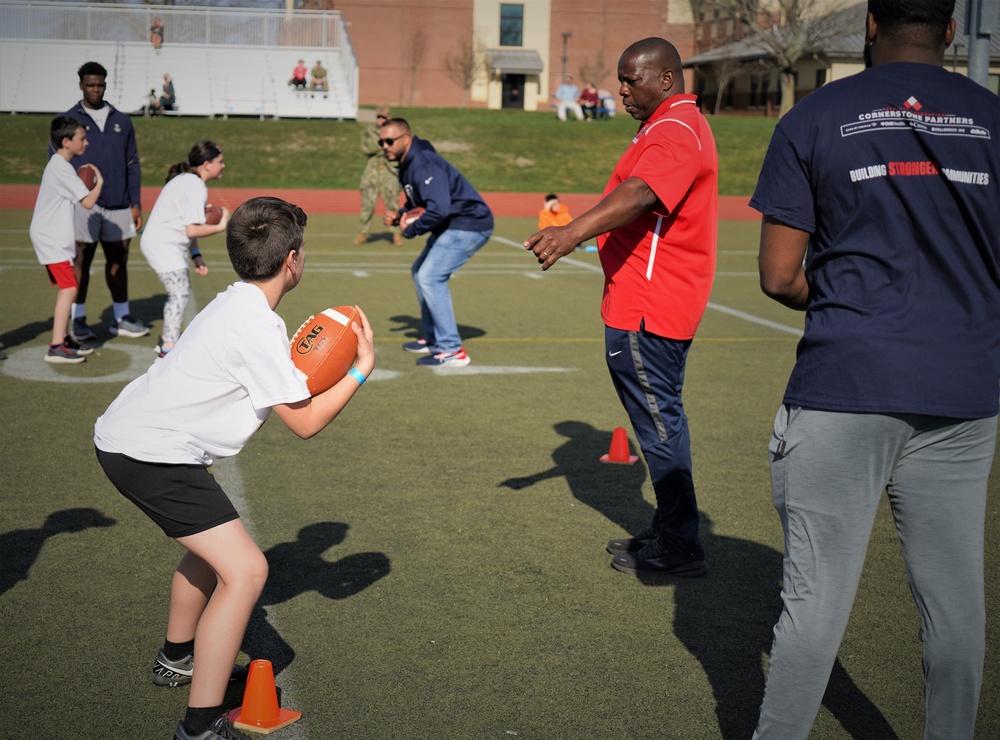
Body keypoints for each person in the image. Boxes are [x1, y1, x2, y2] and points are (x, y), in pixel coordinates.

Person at [749, 1, 1000, 737]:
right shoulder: (992, 117)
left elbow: (778, 275)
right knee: (955, 605)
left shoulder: (814, 116)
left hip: (845, 384)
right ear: (951, 30)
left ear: (868, 24)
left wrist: (850, 309)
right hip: (963, 392)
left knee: (814, 606)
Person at [95, 196, 375, 740]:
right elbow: (306, 422)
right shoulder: (258, 327)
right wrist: (360, 369)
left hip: (132, 440)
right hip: (150, 454)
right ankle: (199, 728)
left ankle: (178, 658)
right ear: (292, 260)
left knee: (209, 551)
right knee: (247, 571)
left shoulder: (234, 303)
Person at [524, 37, 717, 577]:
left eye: (633, 79)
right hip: (642, 303)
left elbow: (639, 193)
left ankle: (681, 544)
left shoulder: (676, 127)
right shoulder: (667, 124)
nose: (622, 89)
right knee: (657, 424)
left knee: (660, 426)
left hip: (650, 307)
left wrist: (570, 234)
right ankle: (669, 528)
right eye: (621, 78)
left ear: (667, 80)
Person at [379, 117, 494, 367]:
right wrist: (401, 214)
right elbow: (422, 202)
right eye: (381, 141)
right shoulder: (408, 164)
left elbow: (439, 209)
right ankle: (432, 338)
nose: (384, 145)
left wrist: (410, 230)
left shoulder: (423, 162)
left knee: (430, 277)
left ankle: (452, 349)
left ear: (406, 139)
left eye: (389, 140)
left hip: (469, 224)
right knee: (419, 271)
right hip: (453, 225)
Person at [59, 61, 148, 342]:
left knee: (118, 261)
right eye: (90, 85)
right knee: (80, 261)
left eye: (100, 84)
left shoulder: (122, 119)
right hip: (83, 206)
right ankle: (79, 318)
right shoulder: (67, 121)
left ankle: (121, 316)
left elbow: (132, 163)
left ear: (105, 85)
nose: (95, 89)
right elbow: (60, 166)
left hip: (119, 204)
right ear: (81, 85)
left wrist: (135, 203)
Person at [140, 141, 228, 359]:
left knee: (180, 291)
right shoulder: (194, 185)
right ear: (207, 164)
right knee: (179, 292)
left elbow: (187, 225)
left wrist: (196, 256)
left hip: (165, 243)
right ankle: (168, 345)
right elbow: (192, 229)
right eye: (220, 161)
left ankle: (168, 340)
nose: (223, 165)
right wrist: (220, 226)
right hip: (163, 245)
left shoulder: (189, 181)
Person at [29, 116, 104, 364]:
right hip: (51, 238)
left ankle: (64, 338)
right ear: (66, 141)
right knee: (69, 289)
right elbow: (89, 202)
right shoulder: (60, 168)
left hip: (54, 237)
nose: (86, 143)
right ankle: (56, 347)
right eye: (81, 138)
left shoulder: (60, 166)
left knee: (69, 288)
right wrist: (99, 182)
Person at [353, 106, 403, 246]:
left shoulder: (395, 131)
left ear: (389, 118)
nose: (381, 120)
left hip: (390, 171)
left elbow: (398, 149)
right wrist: (384, 146)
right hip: (372, 172)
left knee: (393, 204)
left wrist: (383, 147)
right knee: (367, 205)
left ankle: (396, 234)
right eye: (379, 117)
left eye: (384, 117)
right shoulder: (369, 131)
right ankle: (363, 233)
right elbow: (366, 148)